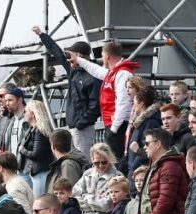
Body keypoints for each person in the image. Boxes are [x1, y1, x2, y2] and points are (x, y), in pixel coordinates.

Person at [34, 26, 101, 157]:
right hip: (73, 127)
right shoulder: (73, 71)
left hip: (83, 128)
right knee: (73, 161)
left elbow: (95, 106)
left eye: (71, 55)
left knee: (82, 162)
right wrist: (42, 35)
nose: (69, 58)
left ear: (80, 56)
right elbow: (57, 53)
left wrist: (81, 123)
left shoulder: (93, 75)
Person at [74, 41, 138, 163]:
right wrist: (78, 59)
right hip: (114, 123)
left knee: (116, 160)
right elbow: (96, 70)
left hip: (119, 124)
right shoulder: (114, 72)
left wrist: (113, 129)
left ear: (107, 56)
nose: (102, 58)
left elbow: (123, 103)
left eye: (103, 55)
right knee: (113, 159)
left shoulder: (122, 73)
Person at [139, 128, 189, 214]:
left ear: (158, 144)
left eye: (147, 143)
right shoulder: (157, 165)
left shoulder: (169, 166)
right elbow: (147, 196)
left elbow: (166, 200)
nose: (144, 147)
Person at [72, 143, 124, 214]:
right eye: (96, 163)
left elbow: (107, 205)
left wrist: (86, 197)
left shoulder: (117, 176)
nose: (100, 165)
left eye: (104, 162)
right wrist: (96, 200)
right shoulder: (87, 174)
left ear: (109, 159)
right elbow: (74, 197)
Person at [17, 100, 54, 198]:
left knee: (39, 200)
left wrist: (22, 150)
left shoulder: (39, 130)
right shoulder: (32, 129)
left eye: (26, 111)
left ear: (33, 114)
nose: (24, 114)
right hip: (34, 171)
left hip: (40, 172)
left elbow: (37, 153)